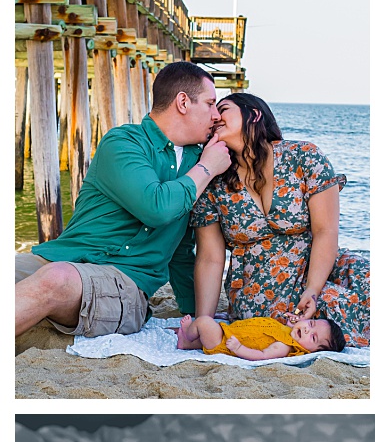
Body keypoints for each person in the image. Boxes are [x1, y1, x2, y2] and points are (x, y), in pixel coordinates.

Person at [15, 62, 231, 340]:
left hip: (125, 285)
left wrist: (200, 314)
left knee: (56, 281)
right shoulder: (124, 143)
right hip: (63, 257)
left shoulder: (197, 163)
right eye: (211, 104)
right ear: (183, 102)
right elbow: (156, 206)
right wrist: (207, 168)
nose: (215, 115)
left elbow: (181, 249)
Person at [192, 93, 370, 346]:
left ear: (253, 114)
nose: (215, 116)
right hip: (261, 289)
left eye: (224, 108)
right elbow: (210, 257)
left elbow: (325, 231)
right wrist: (203, 321)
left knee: (370, 280)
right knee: (330, 311)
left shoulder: (303, 157)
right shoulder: (213, 179)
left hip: (317, 267)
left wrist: (313, 289)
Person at [174, 311, 346, 359]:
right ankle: (186, 344)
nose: (307, 329)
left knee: (204, 321)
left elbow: (262, 355)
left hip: (224, 344)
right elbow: (278, 330)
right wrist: (290, 323)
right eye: (310, 323)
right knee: (208, 330)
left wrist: (239, 348)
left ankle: (189, 334)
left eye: (313, 337)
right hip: (229, 333)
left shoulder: (283, 346)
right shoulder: (289, 333)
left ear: (311, 351)